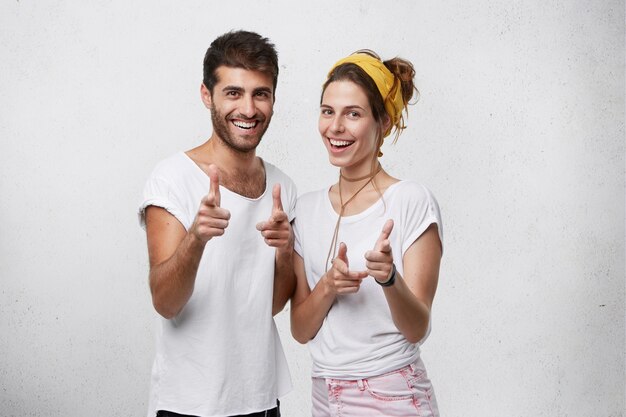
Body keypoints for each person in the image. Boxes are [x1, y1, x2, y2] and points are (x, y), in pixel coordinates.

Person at [138, 30, 296, 417]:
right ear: (207, 95)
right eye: (233, 93)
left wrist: (285, 253)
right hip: (189, 404)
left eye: (261, 93)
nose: (248, 108)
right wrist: (196, 238)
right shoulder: (172, 178)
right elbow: (166, 302)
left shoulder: (283, 187)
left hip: (260, 399)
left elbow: (270, 305)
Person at [290, 50, 443, 416]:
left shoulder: (410, 200)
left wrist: (389, 279)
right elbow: (300, 330)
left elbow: (417, 328)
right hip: (325, 395)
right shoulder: (306, 210)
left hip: (391, 394)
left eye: (353, 114)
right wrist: (328, 285)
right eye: (328, 111)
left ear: (384, 123)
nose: (335, 127)